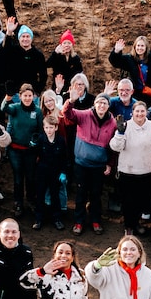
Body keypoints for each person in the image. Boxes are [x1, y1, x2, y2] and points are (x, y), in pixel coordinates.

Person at [62, 90, 117, 236]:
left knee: (96, 195)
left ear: (108, 106)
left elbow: (113, 146)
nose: (101, 105)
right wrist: (71, 101)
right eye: (99, 102)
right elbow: (67, 114)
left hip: (98, 166)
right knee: (81, 194)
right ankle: (79, 222)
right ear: (94, 104)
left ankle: (95, 221)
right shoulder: (85, 115)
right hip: (81, 163)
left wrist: (110, 164)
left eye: (104, 103)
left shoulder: (112, 123)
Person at [109, 100, 151, 236]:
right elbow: (115, 147)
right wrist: (120, 133)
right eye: (137, 111)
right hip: (127, 171)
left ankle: (136, 223)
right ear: (132, 112)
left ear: (146, 112)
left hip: (147, 171)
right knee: (128, 201)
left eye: (142, 111)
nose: (140, 114)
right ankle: (129, 226)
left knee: (142, 201)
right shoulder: (125, 126)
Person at [2, 84, 41, 216]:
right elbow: (4, 108)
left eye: (30, 95)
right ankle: (18, 202)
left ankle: (31, 200)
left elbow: (40, 130)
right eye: (25, 95)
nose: (28, 98)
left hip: (30, 150)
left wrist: (36, 141)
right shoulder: (15, 108)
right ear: (20, 96)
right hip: (15, 150)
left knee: (30, 177)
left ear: (34, 96)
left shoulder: (37, 111)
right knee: (18, 178)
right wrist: (7, 97)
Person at [31, 115, 68, 231]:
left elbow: (65, 158)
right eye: (46, 128)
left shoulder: (61, 141)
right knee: (40, 195)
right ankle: (38, 219)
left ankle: (57, 218)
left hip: (55, 172)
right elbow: (34, 155)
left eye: (51, 127)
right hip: (42, 172)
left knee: (55, 195)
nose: (49, 130)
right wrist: (32, 145)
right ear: (43, 128)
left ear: (56, 128)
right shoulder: (41, 139)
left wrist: (63, 172)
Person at [108, 36, 151, 100]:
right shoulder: (130, 59)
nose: (140, 48)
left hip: (148, 94)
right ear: (135, 47)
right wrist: (116, 51)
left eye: (142, 46)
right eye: (138, 45)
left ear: (146, 48)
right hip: (133, 94)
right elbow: (116, 62)